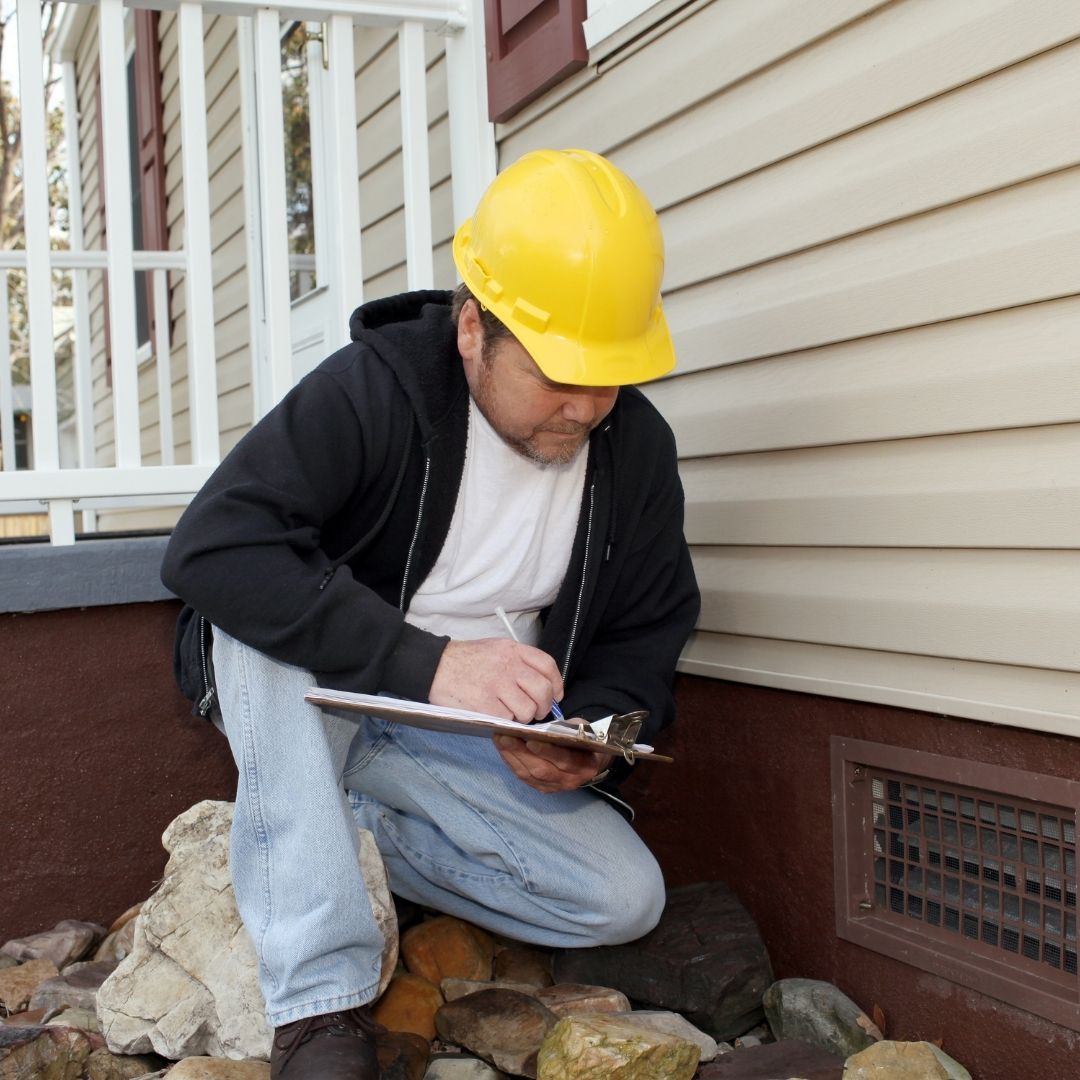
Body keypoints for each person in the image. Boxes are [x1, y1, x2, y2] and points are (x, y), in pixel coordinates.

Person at [161, 147, 700, 1080]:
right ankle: (319, 1010)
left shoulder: (636, 448)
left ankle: (322, 828)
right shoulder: (375, 390)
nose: (584, 406)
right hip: (313, 689)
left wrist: (596, 728)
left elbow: (648, 628)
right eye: (557, 371)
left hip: (449, 743)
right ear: (470, 330)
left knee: (622, 898)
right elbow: (213, 547)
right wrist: (433, 662)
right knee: (259, 621)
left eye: (606, 375)